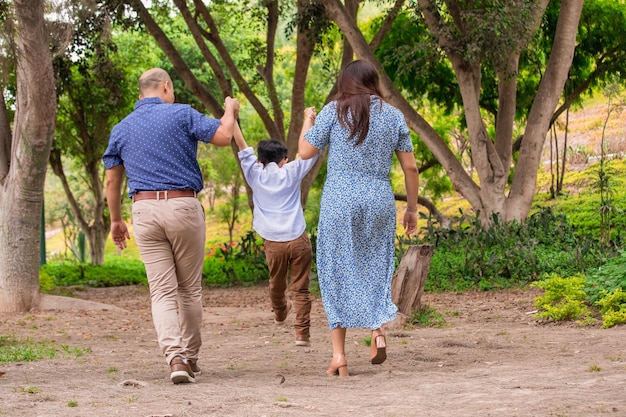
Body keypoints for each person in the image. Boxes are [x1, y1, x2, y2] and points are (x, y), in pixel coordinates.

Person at [102, 68, 239, 384]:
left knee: (161, 292)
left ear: (140, 94)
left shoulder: (121, 128)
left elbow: (112, 179)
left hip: (144, 210)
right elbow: (223, 136)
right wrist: (229, 110)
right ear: (166, 87)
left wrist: (116, 220)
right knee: (189, 289)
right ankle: (190, 357)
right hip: (183, 205)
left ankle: (174, 357)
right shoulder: (182, 114)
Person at [298, 60, 419, 377]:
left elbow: (304, 152)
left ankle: (339, 356)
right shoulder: (393, 116)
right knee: (376, 263)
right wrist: (412, 208)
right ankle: (377, 330)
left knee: (334, 269)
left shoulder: (333, 111)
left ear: (345, 83)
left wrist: (307, 120)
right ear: (373, 81)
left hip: (340, 198)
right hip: (379, 198)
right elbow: (411, 168)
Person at [232, 122, 320, 346]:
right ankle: (302, 334)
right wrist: (308, 120)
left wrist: (232, 117)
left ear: (260, 160)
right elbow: (309, 150)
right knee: (301, 288)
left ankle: (280, 312)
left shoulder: (255, 174)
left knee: (276, 284)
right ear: (284, 160)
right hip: (298, 238)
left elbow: (242, 147)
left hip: (273, 242)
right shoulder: (291, 171)